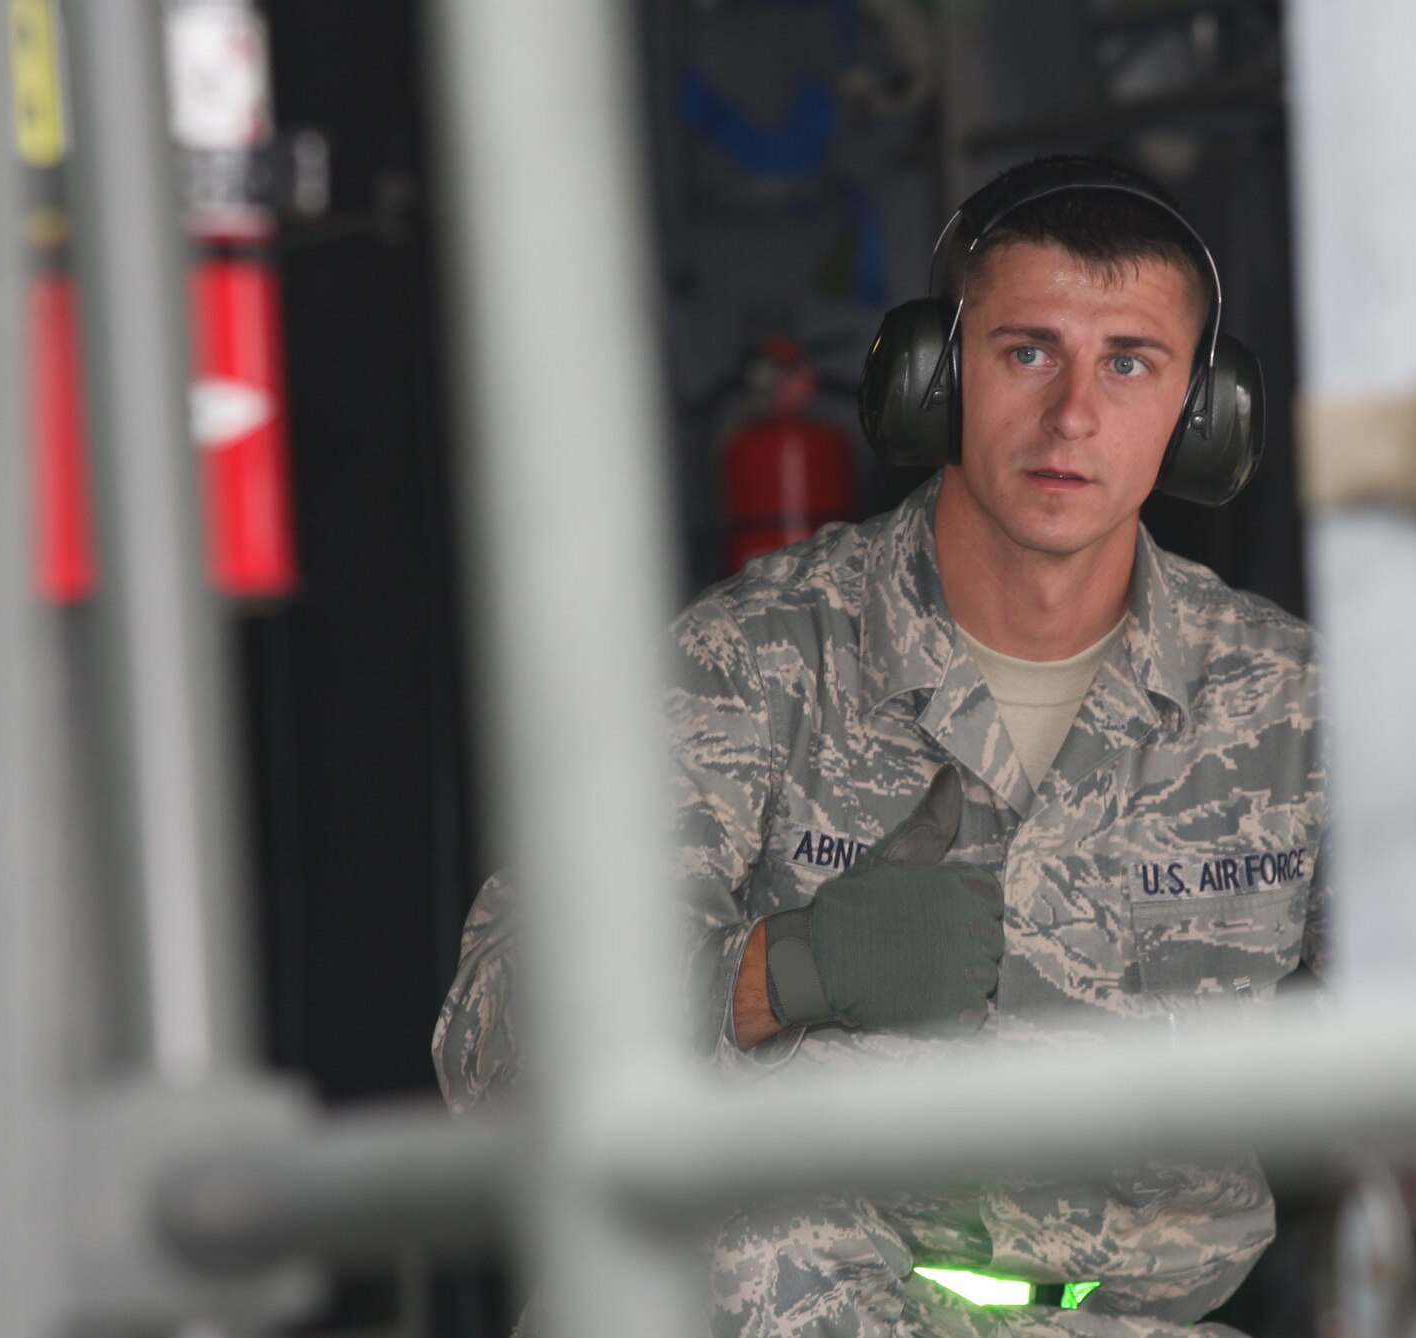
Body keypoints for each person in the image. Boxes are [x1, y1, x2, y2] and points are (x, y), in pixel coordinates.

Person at [434, 155, 1330, 1337]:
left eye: (1128, 362)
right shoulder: (752, 661)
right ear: (933, 376)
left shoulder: (1284, 705)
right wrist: (785, 969)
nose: (1071, 415)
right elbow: (484, 1054)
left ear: (1204, 414)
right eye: (1025, 352)